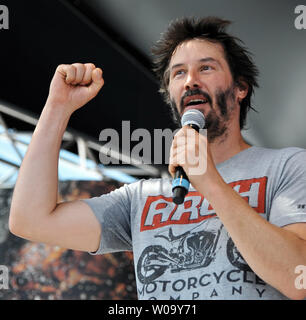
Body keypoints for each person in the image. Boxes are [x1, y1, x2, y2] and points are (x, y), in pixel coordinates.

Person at [9, 17, 306, 300]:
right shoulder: (141, 198)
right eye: (179, 73)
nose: (190, 81)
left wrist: (210, 182)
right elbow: (30, 220)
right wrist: (57, 108)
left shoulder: (287, 167)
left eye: (206, 68)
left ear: (240, 88)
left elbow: (298, 280)